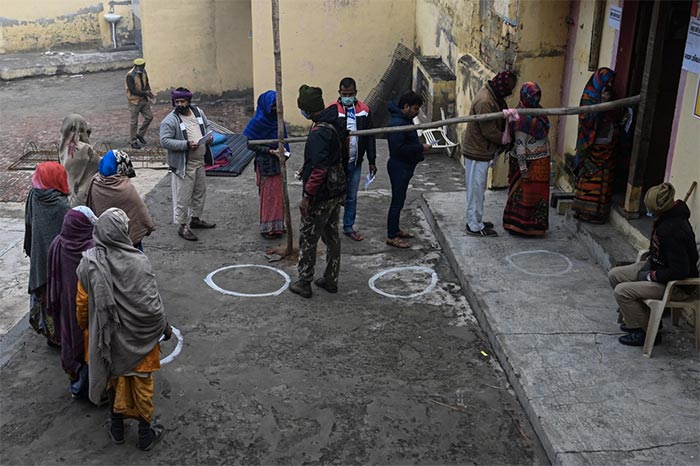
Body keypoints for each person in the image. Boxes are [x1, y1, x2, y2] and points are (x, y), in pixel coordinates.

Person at [76, 208, 172, 450]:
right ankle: (144, 433)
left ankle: (117, 429)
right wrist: (164, 327)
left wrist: (91, 331)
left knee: (113, 382)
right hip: (141, 343)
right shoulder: (139, 262)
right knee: (141, 386)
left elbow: (82, 306)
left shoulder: (90, 264)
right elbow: (152, 308)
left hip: (108, 342)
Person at [608, 183, 699, 347]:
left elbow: (680, 270)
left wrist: (651, 276)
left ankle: (647, 332)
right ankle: (640, 319)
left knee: (622, 291)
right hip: (658, 268)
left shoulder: (673, 230)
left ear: (659, 210)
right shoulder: (667, 218)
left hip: (675, 285)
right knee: (615, 275)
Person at [289, 85, 346, 299]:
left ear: (307, 109)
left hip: (321, 195)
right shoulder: (334, 123)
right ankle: (331, 279)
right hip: (335, 190)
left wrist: (307, 197)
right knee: (332, 235)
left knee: (308, 237)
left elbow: (320, 168)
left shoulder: (319, 132)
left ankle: (304, 282)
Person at [46, 206, 97, 398]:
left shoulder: (57, 244)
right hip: (89, 310)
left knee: (72, 343)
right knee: (89, 347)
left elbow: (52, 277)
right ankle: (90, 388)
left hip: (66, 307)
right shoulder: (93, 250)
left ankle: (76, 386)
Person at [461, 70, 517, 237]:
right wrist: (506, 139)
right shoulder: (486, 101)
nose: (510, 92)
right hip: (477, 151)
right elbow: (489, 131)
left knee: (477, 188)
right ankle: (474, 225)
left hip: (481, 150)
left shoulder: (493, 96)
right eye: (508, 88)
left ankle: (475, 220)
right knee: (476, 189)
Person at [23, 162, 71, 346]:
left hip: (40, 257)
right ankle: (61, 337)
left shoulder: (34, 196)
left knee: (45, 297)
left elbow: (29, 223)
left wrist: (31, 248)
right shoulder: (61, 205)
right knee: (59, 298)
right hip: (59, 263)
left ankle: (51, 336)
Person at [159, 87, 216, 241]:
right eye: (177, 102)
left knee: (199, 192)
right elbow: (164, 141)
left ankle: (195, 219)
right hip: (184, 166)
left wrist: (209, 137)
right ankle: (182, 226)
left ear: (189, 101)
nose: (180, 104)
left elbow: (208, 126)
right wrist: (185, 144)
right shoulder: (170, 120)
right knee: (182, 198)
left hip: (199, 162)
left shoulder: (198, 112)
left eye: (183, 101)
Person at [331, 77, 377, 241]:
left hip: (356, 162)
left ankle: (348, 227)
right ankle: (330, 228)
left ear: (356, 93)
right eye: (345, 94)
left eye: (350, 94)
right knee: (334, 197)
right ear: (339, 93)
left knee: (351, 197)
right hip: (337, 164)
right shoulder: (333, 110)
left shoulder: (364, 110)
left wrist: (372, 160)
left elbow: (370, 137)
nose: (348, 97)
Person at [502, 82, 551, 236]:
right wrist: (523, 169)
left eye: (538, 94)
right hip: (527, 164)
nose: (535, 98)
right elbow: (519, 144)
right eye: (532, 94)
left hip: (541, 163)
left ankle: (536, 227)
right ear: (525, 95)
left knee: (539, 196)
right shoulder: (519, 117)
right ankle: (519, 226)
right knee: (524, 195)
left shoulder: (540, 113)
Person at [385, 91, 431, 249]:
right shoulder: (398, 123)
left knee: (400, 200)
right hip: (399, 166)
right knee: (396, 203)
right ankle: (392, 236)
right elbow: (399, 148)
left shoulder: (404, 119)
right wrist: (421, 147)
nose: (417, 112)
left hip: (404, 165)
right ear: (406, 107)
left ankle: (395, 230)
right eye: (415, 108)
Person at [572, 67, 618, 224]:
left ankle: (597, 213)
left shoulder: (610, 95)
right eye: (607, 81)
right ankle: (583, 210)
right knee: (589, 178)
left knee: (602, 181)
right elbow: (587, 120)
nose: (610, 85)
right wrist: (602, 103)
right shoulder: (589, 98)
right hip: (591, 147)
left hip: (606, 145)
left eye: (611, 82)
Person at [86, 150, 155, 250]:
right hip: (127, 242)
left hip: (103, 238)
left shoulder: (96, 182)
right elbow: (140, 213)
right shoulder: (125, 188)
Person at [244, 90, 289, 239]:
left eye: (277, 106)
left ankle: (278, 226)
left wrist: (283, 152)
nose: (275, 109)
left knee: (279, 195)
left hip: (278, 163)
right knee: (269, 196)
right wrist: (270, 151)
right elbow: (250, 144)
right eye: (273, 106)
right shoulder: (258, 122)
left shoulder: (278, 121)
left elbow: (285, 142)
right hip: (265, 165)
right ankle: (268, 228)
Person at [59, 114, 99, 207]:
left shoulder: (63, 146)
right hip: (83, 196)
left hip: (67, 193)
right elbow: (99, 164)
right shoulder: (84, 149)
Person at [126, 58, 154, 149]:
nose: (142, 68)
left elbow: (147, 83)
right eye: (140, 67)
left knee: (149, 117)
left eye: (143, 67)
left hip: (143, 100)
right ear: (136, 66)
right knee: (134, 122)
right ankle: (133, 141)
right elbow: (132, 90)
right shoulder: (130, 75)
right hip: (134, 101)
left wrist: (149, 92)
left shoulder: (143, 72)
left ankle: (140, 134)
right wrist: (145, 93)